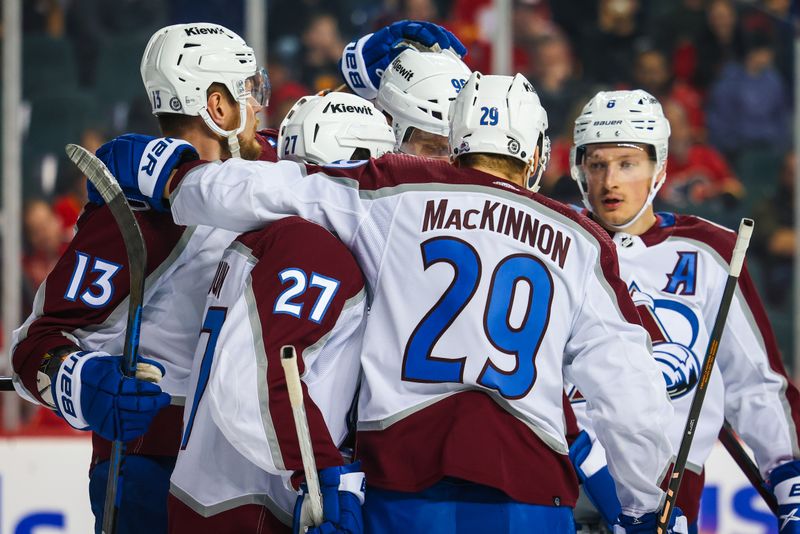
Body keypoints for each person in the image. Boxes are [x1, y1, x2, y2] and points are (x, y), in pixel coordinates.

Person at [95, 71, 688, 533]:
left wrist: (172, 179)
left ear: (455, 146)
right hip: (529, 496)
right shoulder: (582, 240)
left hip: (402, 485)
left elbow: (264, 188)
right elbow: (631, 399)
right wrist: (643, 505)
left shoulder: (393, 187)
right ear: (536, 156)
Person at [10, 22, 272, 534]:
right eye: (249, 90)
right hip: (154, 465)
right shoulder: (134, 215)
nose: (260, 105)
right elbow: (33, 348)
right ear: (217, 106)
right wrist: (87, 384)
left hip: (252, 467)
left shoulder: (269, 182)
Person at [564, 89, 800, 534]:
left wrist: (789, 480)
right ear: (581, 169)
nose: (610, 180)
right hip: (560, 472)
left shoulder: (709, 252)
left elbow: (756, 383)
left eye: (627, 163)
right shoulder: (555, 239)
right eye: (598, 164)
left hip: (671, 485)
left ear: (660, 168)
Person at [169, 91, 393, 533]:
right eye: (373, 167)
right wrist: (324, 474)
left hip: (209, 496)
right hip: (253, 505)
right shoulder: (312, 248)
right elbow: (255, 381)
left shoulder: (264, 236)